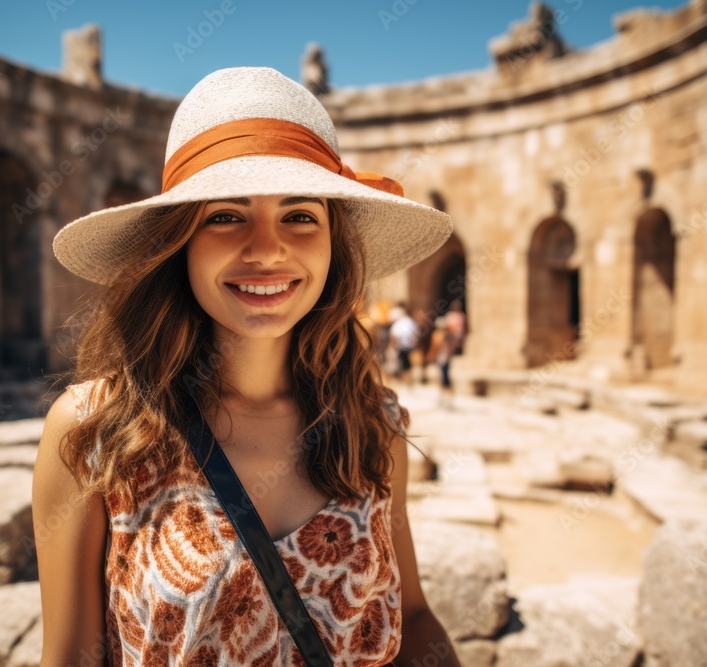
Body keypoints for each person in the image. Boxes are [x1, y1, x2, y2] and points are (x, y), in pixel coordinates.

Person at [34, 66, 460, 666]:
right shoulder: (94, 432)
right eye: (226, 216)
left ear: (332, 243)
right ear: (178, 243)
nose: (266, 249)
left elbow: (411, 615)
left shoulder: (374, 422)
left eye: (300, 215)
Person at [426, 317, 460, 410]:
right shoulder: (450, 336)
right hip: (444, 359)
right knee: (443, 379)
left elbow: (435, 347)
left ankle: (447, 399)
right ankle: (443, 398)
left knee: (445, 380)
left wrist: (430, 356)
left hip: (443, 359)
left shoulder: (441, 336)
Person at [388, 304, 419, 387]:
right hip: (410, 346)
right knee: (407, 364)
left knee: (403, 364)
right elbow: (416, 334)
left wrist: (393, 346)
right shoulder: (410, 321)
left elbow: (394, 336)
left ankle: (405, 381)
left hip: (401, 347)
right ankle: (408, 381)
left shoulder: (398, 324)